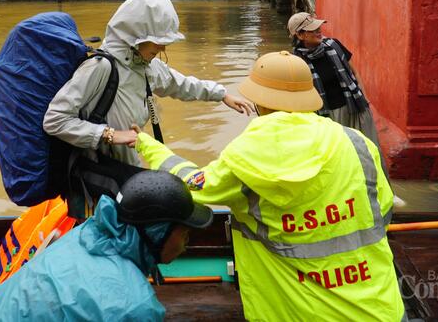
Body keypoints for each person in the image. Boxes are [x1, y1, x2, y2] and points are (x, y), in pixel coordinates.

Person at [131, 51, 404, 321]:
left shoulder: (246, 155)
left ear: (259, 102)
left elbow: (192, 186)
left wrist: (147, 145)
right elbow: (382, 211)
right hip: (382, 310)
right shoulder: (357, 143)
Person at [43, 0, 253, 210]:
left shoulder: (146, 67)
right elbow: (55, 120)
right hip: (97, 183)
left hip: (125, 174)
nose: (163, 49)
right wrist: (109, 134)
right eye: (158, 41)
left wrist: (222, 94)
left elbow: (180, 84)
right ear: (135, 36)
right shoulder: (100, 67)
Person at [0, 170, 213, 322]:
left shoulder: (83, 235)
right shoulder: (133, 308)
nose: (187, 241)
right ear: (156, 233)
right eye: (184, 232)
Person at [288, 12, 380, 146]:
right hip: (326, 117)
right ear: (300, 35)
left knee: (364, 147)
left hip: (353, 107)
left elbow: (354, 73)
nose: (319, 31)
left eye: (318, 27)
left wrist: (365, 99)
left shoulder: (334, 45)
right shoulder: (296, 62)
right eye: (313, 29)